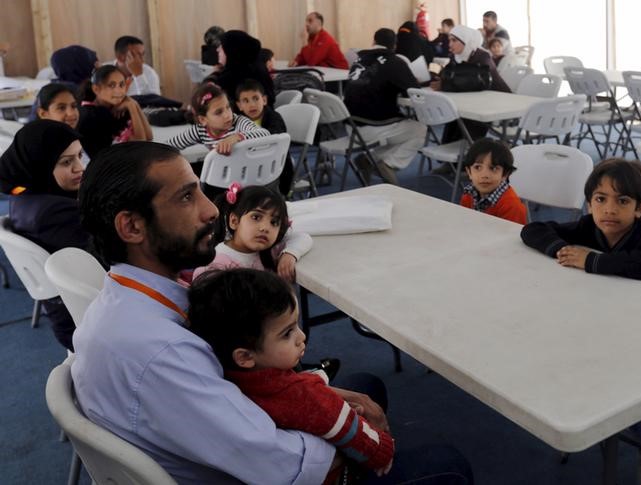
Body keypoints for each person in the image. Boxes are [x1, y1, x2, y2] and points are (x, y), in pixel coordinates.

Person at [72, 140, 473, 484]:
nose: (211, 211)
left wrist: (328, 401)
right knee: (448, 465)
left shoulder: (126, 302)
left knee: (366, 386)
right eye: (186, 197)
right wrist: (350, 438)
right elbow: (285, 468)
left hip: (218, 451)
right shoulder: (161, 352)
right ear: (132, 228)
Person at [188, 268, 395, 484]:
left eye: (296, 325)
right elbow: (351, 430)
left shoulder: (230, 372)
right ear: (245, 356)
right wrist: (383, 449)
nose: (301, 336)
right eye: (287, 333)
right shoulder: (304, 395)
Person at [0, 120, 89, 350]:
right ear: (40, 163)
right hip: (84, 318)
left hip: (71, 309)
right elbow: (107, 257)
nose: (80, 167)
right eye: (67, 162)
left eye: (80, 155)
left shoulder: (25, 194)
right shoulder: (53, 212)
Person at [520, 158, 641, 280]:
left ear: (639, 209)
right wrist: (564, 252)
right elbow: (532, 230)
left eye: (622, 201)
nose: (609, 210)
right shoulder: (588, 226)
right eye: (600, 199)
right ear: (589, 205)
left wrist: (589, 260)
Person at [344, 28, 427, 185]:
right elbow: (415, 91)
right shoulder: (395, 62)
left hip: (351, 126)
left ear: (373, 42)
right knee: (419, 130)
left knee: (398, 133)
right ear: (394, 46)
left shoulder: (358, 60)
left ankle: (369, 159)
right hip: (373, 126)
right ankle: (389, 164)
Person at [192, 184, 312, 282]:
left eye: (274, 222)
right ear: (234, 221)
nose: (265, 228)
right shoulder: (216, 263)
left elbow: (303, 237)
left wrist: (290, 254)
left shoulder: (270, 251)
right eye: (256, 217)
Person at [164, 82, 269, 155]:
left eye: (228, 107)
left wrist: (237, 137)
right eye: (219, 112)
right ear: (203, 120)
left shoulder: (238, 122)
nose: (227, 115)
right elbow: (168, 146)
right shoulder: (199, 131)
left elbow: (264, 134)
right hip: (221, 177)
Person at [77, 65, 153, 159]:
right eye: (112, 85)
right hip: (106, 168)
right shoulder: (96, 114)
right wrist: (132, 107)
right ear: (96, 89)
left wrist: (134, 104)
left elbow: (149, 136)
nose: (118, 91)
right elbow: (141, 145)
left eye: (121, 85)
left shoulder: (115, 106)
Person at [235, 78, 294, 193]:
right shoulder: (238, 122)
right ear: (239, 105)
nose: (252, 104)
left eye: (256, 99)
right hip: (250, 169)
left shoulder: (274, 118)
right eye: (246, 101)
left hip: (275, 170)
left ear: (264, 100)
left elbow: (274, 139)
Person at [459, 139, 526, 225]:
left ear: (505, 174)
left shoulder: (512, 207)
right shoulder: (468, 195)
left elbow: (512, 237)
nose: (485, 175)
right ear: (469, 172)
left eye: (493, 168)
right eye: (477, 167)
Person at [206, 30, 276, 109]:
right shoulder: (252, 65)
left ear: (231, 50)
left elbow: (207, 94)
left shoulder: (235, 75)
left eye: (221, 46)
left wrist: (215, 73)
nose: (217, 50)